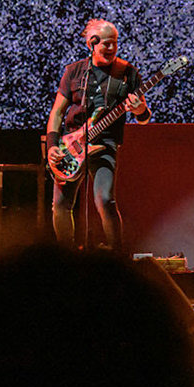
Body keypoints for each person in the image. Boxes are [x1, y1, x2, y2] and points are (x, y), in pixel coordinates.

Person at [43, 18, 153, 252]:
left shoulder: (128, 73)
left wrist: (139, 109)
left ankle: (117, 256)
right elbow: (57, 113)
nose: (111, 48)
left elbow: (144, 118)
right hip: (71, 145)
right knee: (60, 205)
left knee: (105, 201)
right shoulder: (74, 72)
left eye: (114, 43)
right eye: (105, 44)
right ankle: (67, 256)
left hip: (105, 145)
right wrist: (52, 146)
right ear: (91, 44)